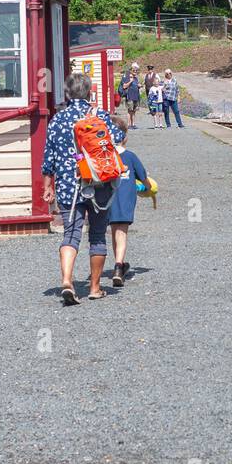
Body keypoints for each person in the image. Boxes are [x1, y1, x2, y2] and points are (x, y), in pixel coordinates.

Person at [41, 72, 125, 305]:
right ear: (89, 92)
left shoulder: (57, 120)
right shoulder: (98, 115)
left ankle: (67, 281)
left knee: (71, 233)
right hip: (98, 184)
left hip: (68, 185)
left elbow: (49, 157)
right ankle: (95, 288)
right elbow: (118, 137)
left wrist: (48, 186)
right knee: (97, 235)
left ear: (67, 93)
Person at [107, 112, 149, 287]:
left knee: (114, 231)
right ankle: (119, 266)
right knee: (122, 233)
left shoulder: (106, 156)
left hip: (108, 199)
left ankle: (119, 262)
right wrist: (148, 188)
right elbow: (143, 177)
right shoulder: (130, 156)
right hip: (126, 199)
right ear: (124, 137)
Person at [120, 62, 141, 129]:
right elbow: (124, 86)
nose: (135, 71)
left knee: (134, 111)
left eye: (136, 70)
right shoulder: (127, 77)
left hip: (136, 96)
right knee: (129, 111)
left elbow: (136, 86)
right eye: (134, 70)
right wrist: (130, 81)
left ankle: (133, 124)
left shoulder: (136, 78)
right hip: (129, 96)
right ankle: (128, 125)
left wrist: (139, 86)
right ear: (131, 70)